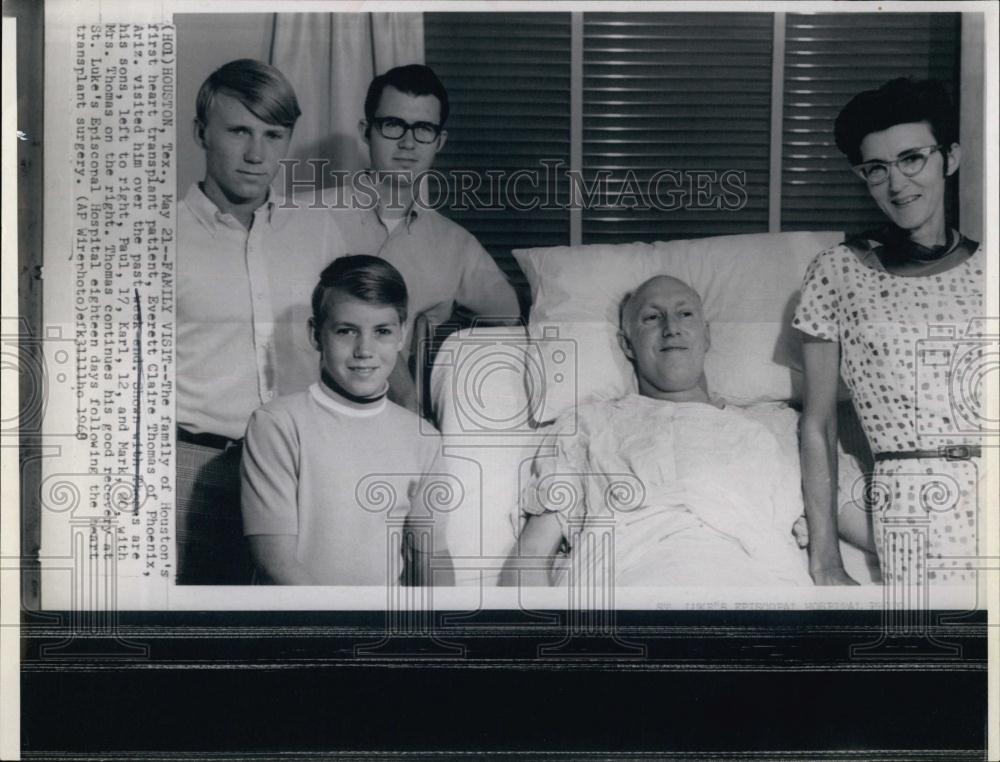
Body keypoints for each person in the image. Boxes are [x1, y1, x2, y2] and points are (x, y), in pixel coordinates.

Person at [501, 275, 812, 587]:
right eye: (652, 317)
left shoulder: (776, 426)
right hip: (625, 587)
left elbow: (853, 516)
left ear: (707, 336)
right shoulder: (587, 426)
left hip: (751, 587)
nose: (671, 328)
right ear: (627, 344)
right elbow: (532, 553)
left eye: (685, 314)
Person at [793, 78, 983, 586]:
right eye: (877, 169)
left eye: (912, 159)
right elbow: (818, 426)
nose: (897, 184)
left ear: (951, 158)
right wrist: (825, 559)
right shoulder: (837, 273)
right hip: (917, 502)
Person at [177, 59, 347, 584]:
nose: (257, 154)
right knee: (194, 645)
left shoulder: (318, 233)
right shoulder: (155, 236)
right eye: (239, 131)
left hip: (303, 473)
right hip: (193, 473)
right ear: (200, 132)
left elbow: (357, 339)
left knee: (301, 645)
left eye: (273, 135)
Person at [240, 256, 447, 586]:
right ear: (316, 334)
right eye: (346, 331)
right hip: (302, 628)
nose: (364, 350)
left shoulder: (424, 439)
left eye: (382, 332)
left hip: (384, 630)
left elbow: (430, 557)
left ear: (402, 335)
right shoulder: (277, 424)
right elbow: (275, 563)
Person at [334, 64, 521, 412]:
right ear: (366, 131)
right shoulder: (307, 215)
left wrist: (438, 344)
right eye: (392, 125)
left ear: (440, 142)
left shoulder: (455, 245)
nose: (407, 143)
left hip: (396, 423)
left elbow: (511, 317)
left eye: (423, 129)